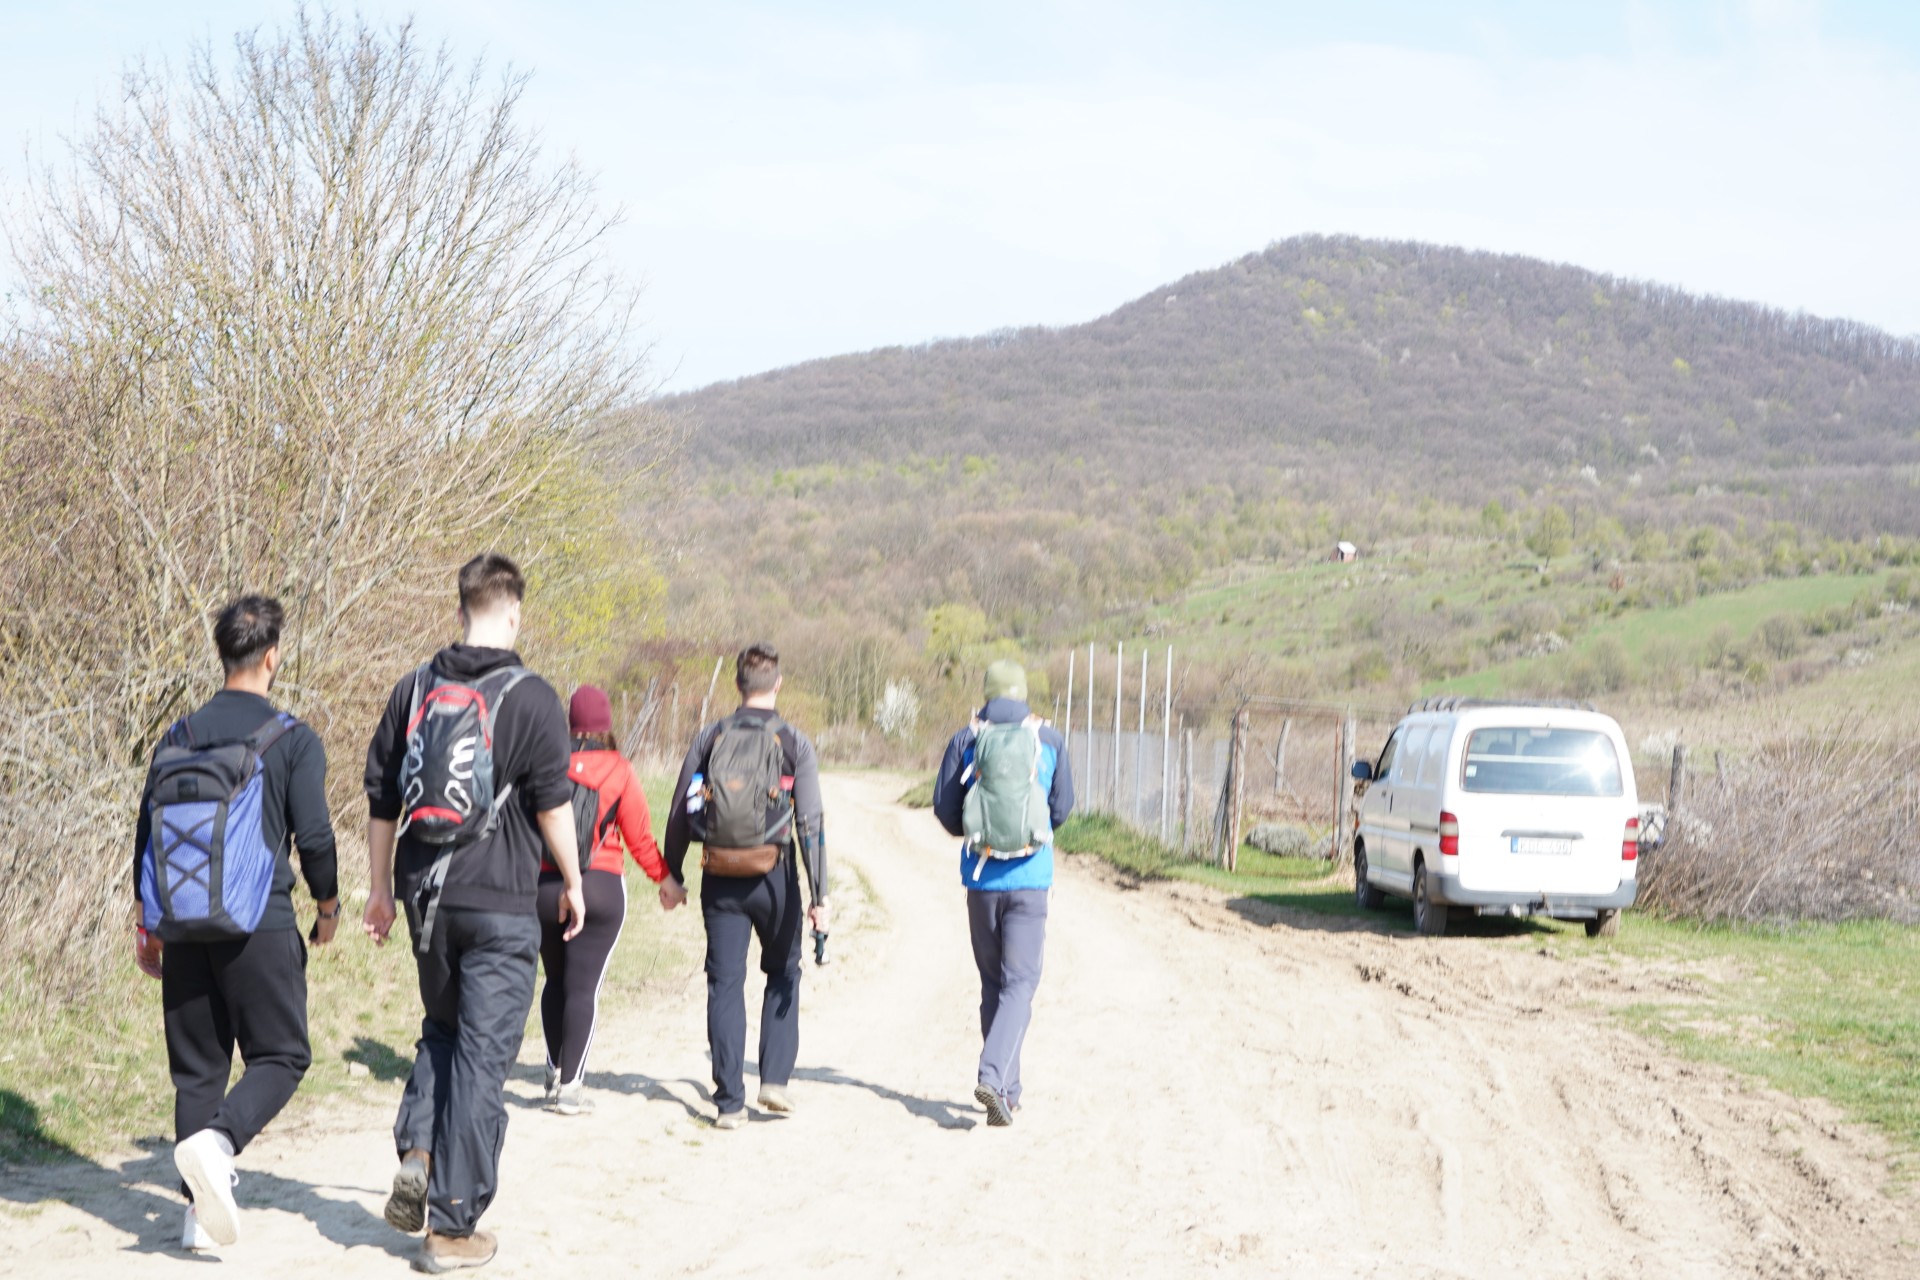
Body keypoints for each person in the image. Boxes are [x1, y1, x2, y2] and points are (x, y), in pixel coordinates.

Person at [362, 552, 583, 1274]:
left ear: (460, 609)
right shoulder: (533, 697)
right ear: (513, 612)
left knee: (442, 1029)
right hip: (501, 906)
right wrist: (574, 882)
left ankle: (419, 1150)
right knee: (484, 1059)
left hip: (426, 898)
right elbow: (552, 807)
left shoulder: (413, 689)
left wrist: (378, 891)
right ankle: (454, 1227)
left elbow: (381, 801)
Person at [131, 594, 339, 1252]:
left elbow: (145, 834)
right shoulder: (292, 737)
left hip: (184, 924)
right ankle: (218, 1147)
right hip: (261, 924)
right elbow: (316, 836)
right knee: (282, 1055)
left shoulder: (179, 735)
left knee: (197, 1072)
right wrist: (327, 906)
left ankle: (197, 1222)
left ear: (223, 654)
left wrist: (147, 921)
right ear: (273, 656)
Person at [661, 642, 825, 1129]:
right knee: (783, 973)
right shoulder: (795, 742)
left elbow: (679, 809)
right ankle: (773, 1080)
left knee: (725, 985)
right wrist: (820, 898)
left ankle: (729, 1103)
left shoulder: (710, 737)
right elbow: (811, 823)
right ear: (777, 685)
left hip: (721, 877)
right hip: (775, 877)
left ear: (737, 686)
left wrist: (673, 874)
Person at [930, 659, 1074, 1128]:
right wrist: (1031, 836)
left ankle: (1007, 1092)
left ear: (987, 695)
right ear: (1024, 694)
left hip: (981, 879)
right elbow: (1063, 807)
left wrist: (978, 836)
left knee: (995, 984)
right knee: (1022, 983)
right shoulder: (1048, 740)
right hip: (1031, 880)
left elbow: (946, 809)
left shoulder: (966, 740)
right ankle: (994, 1076)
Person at [536, 684, 670, 1116]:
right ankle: (571, 1088)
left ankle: (555, 1070)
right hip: (599, 886)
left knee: (554, 980)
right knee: (583, 988)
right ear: (606, 724)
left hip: (543, 887)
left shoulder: (542, 763)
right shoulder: (619, 770)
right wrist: (665, 879)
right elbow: (640, 838)